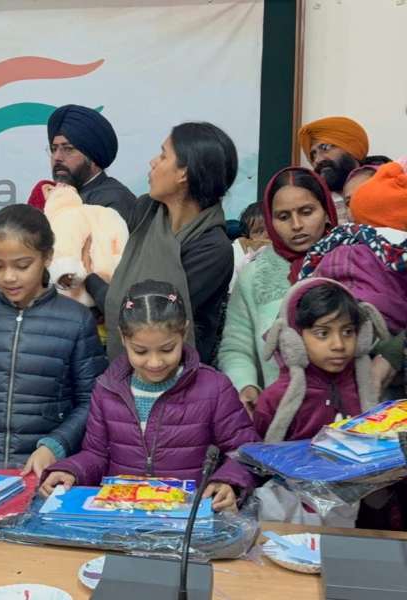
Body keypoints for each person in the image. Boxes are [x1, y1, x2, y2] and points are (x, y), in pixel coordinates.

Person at [40, 280, 260, 511]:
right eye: (140, 351)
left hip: (190, 517)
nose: (154, 362)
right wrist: (71, 470)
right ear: (123, 339)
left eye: (167, 349)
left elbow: (244, 452)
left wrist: (228, 482)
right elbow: (95, 454)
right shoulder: (107, 389)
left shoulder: (213, 388)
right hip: (124, 515)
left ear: (184, 332)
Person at [0, 204, 106, 475]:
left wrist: (56, 445)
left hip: (44, 472)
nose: (9, 277)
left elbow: (92, 401)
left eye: (22, 265)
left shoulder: (76, 319)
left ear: (47, 257)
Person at [85, 122, 238, 364]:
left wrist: (90, 279)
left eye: (163, 155)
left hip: (177, 376)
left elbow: (146, 314)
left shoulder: (213, 249)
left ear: (183, 174)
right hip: (123, 367)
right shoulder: (145, 210)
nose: (153, 162)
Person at [253, 279, 388, 526]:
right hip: (286, 511)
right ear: (294, 338)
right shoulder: (277, 397)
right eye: (323, 333)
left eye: (348, 332)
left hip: (348, 509)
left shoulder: (364, 390)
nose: (338, 345)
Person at [218, 167, 337, 414]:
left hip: (352, 419)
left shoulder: (353, 260)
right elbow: (236, 346)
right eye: (283, 217)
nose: (296, 225)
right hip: (281, 417)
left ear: (326, 211)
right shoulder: (254, 274)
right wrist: (245, 385)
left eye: (306, 212)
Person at [46, 105, 136, 223]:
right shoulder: (59, 195)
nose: (57, 157)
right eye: (53, 149)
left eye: (68, 149)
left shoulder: (113, 200)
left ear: (92, 156)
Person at [297, 116, 369, 195]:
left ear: (352, 148)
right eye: (313, 154)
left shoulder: (382, 189)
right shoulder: (313, 200)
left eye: (325, 147)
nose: (317, 160)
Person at [230, 202, 269, 292]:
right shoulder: (236, 255)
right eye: (259, 231)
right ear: (247, 237)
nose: (267, 235)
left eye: (271, 228)